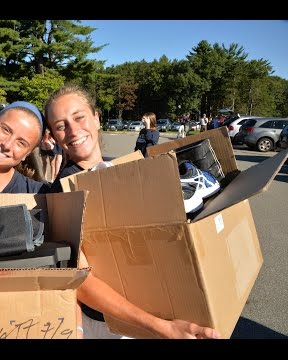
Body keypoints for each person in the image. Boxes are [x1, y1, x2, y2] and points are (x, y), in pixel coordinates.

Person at [44, 84, 220, 339]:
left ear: (96, 118)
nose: (73, 130)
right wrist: (161, 327)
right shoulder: (63, 193)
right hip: (112, 326)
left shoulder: (119, 172)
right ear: (54, 136)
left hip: (157, 310)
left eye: (79, 117)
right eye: (61, 125)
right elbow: (80, 281)